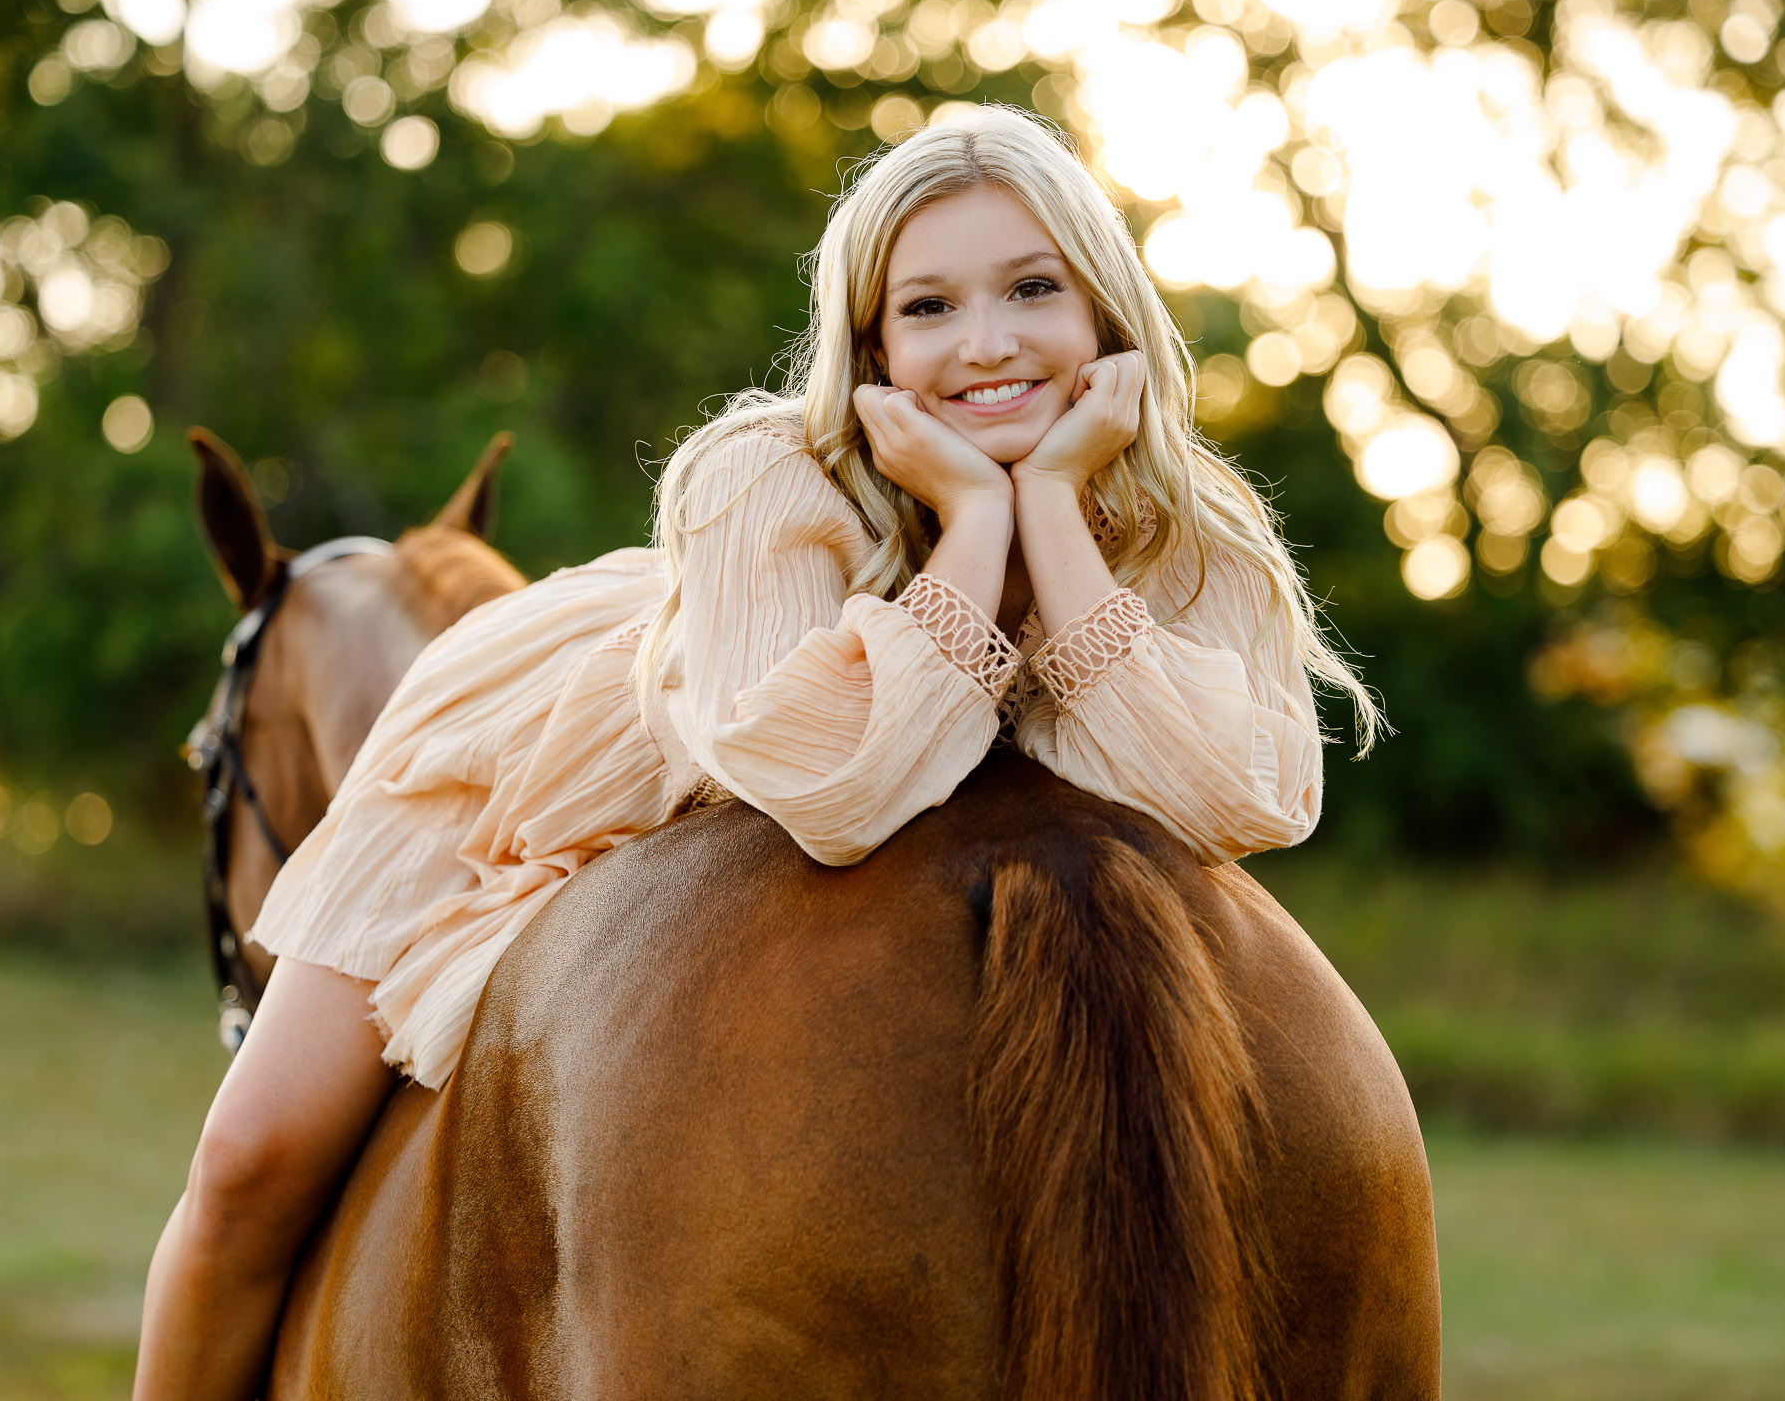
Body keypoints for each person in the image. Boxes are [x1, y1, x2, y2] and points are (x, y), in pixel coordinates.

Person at [131, 104, 1381, 1400]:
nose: (986, 342)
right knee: (246, 1167)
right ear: (870, 343)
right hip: (536, 766)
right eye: (929, 307)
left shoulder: (1177, 512)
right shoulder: (764, 475)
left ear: (1104, 314)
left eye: (1030, 289)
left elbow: (1242, 795)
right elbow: (839, 787)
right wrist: (966, 526)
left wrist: (1052, 517)